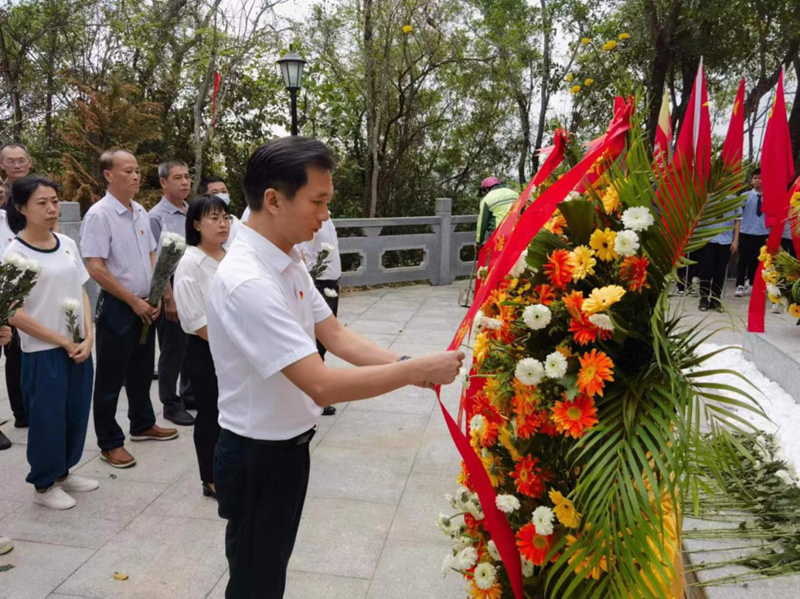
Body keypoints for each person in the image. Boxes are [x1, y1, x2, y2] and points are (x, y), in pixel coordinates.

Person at [207, 136, 464, 599]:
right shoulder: (249, 280)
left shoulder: (287, 258)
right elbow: (321, 385)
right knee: (254, 579)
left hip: (286, 448)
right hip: (256, 455)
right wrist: (412, 371)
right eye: (318, 201)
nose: (325, 215)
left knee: (268, 571)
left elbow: (337, 336)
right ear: (273, 199)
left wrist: (410, 364)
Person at [80, 148, 179, 469]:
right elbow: (95, 267)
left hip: (144, 303)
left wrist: (158, 295)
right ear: (109, 175)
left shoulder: (139, 211)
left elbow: (153, 256)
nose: (136, 176)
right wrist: (133, 300)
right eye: (128, 171)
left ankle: (142, 423)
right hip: (118, 307)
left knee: (140, 368)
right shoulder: (99, 214)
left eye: (137, 170)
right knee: (110, 376)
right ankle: (109, 441)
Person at [5, 176, 98, 510]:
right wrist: (61, 340)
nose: (51, 208)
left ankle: (64, 472)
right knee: (47, 417)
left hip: (78, 348)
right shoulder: (14, 256)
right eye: (41, 203)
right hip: (43, 351)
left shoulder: (66, 243)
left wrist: (88, 335)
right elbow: (14, 313)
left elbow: (82, 291)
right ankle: (44, 484)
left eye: (55, 201)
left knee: (75, 412)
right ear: (21, 208)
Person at [173, 194, 231, 499]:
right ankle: (210, 479)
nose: (222, 224)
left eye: (225, 217)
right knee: (211, 413)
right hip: (206, 348)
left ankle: (230, 470)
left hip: (236, 347)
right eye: (213, 218)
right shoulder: (190, 263)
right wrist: (234, 345)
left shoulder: (231, 256)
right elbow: (195, 319)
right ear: (196, 224)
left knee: (232, 412)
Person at [149, 160, 195, 426]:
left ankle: (190, 395)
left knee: (192, 344)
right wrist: (168, 296)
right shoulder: (156, 217)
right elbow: (156, 261)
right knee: (172, 349)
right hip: (170, 284)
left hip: (191, 282)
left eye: (187, 176)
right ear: (163, 182)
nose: (185, 182)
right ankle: (170, 403)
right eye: (177, 177)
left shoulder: (190, 210)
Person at [0, 143, 30, 432]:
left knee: (22, 351)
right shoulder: (2, 195)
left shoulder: (36, 192)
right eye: (11, 161)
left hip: (31, 283)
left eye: (21, 160)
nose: (17, 165)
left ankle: (26, 410)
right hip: (5, 285)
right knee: (12, 347)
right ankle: (20, 411)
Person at [298, 215, 341, 416]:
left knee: (324, 341)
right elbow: (304, 255)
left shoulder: (326, 216)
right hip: (318, 283)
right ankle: (314, 392)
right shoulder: (309, 218)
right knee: (315, 341)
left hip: (330, 282)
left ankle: (317, 391)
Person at [698, 207, 741, 312]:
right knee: (706, 270)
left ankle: (715, 299)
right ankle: (703, 299)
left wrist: (735, 241)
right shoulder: (709, 198)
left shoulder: (733, 199)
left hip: (725, 240)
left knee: (720, 272)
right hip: (708, 240)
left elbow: (738, 221)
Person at [735, 169, 767, 297]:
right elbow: (738, 214)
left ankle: (752, 283)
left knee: (756, 260)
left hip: (762, 233)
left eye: (760, 177)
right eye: (755, 178)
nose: (758, 180)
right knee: (743, 259)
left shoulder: (769, 196)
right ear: (752, 180)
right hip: (746, 231)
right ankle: (740, 284)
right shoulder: (745, 196)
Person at [198, 175, 242, 247]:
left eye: (224, 191)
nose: (221, 195)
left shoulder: (236, 222)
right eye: (215, 192)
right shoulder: (201, 224)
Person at [476, 176, 517, 248]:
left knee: (497, 257)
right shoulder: (514, 193)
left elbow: (482, 223)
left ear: (486, 189)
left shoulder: (486, 199)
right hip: (516, 230)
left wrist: (478, 242)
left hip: (499, 234)